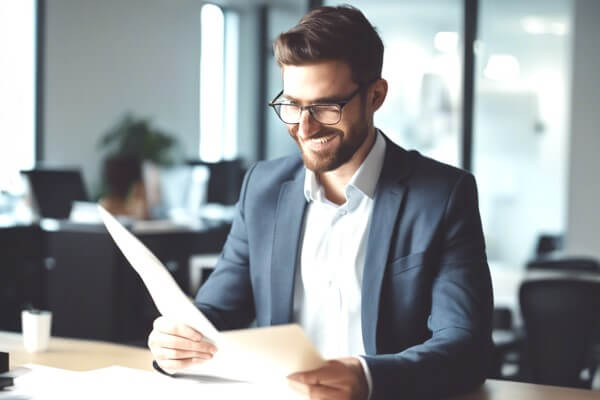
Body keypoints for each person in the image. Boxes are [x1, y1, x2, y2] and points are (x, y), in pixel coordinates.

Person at [148, 5, 493, 399]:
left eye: (326, 107)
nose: (304, 127)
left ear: (375, 96)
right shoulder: (262, 188)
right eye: (292, 105)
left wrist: (368, 378)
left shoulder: (443, 196)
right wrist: (177, 342)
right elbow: (217, 312)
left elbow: (467, 348)